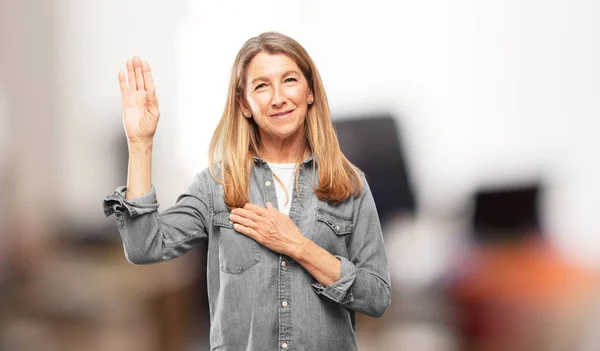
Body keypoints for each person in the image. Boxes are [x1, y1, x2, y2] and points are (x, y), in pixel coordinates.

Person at [103, 31, 391, 350]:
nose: (279, 97)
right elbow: (144, 247)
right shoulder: (216, 185)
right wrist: (140, 144)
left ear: (310, 91)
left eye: (290, 80)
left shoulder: (350, 184)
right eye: (262, 86)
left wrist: (299, 246)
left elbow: (376, 296)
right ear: (245, 104)